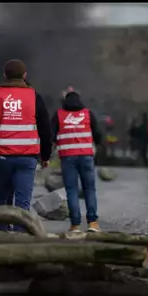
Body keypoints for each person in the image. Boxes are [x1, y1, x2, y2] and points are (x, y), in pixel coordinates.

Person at [0, 59, 52, 232]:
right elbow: (46, 129)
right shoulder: (34, 96)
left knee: (1, 201)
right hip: (27, 158)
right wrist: (46, 156)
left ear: (4, 75)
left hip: (1, 158)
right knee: (22, 204)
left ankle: (1, 238)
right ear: (25, 75)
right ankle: (20, 241)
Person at [52, 90, 103, 233]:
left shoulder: (58, 115)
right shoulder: (88, 114)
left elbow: (51, 135)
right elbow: (98, 135)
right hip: (86, 157)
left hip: (68, 157)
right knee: (90, 190)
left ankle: (75, 225)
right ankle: (93, 223)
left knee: (71, 190)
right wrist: (96, 143)